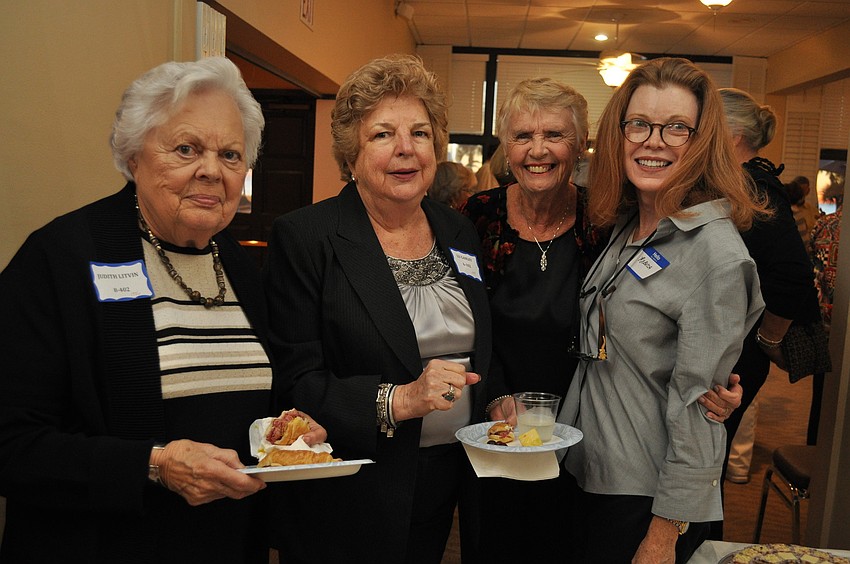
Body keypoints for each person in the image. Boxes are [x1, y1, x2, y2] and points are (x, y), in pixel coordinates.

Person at [0, 57, 327, 563]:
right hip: (104, 547)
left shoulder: (240, 265)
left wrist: (290, 427)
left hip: (227, 544)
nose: (211, 171)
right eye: (186, 149)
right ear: (134, 156)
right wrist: (153, 465)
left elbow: (257, 395)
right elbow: (13, 442)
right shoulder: (60, 258)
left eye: (231, 155)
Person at [459, 76, 742, 563]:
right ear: (505, 146)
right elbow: (457, 320)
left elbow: (715, 312)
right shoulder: (479, 217)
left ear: (582, 145)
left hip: (591, 446)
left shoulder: (605, 217)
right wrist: (492, 393)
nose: (538, 150)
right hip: (506, 433)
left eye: (555, 135)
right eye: (523, 136)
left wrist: (719, 388)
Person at [263, 54, 492, 564]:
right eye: (383, 135)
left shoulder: (458, 231)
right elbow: (297, 380)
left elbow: (478, 345)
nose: (406, 149)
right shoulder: (307, 237)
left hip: (446, 478)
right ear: (351, 154)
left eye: (420, 132)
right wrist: (401, 400)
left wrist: (494, 400)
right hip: (352, 490)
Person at [557, 57, 765, 563]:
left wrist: (663, 534)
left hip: (648, 500)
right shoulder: (632, 225)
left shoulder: (714, 253)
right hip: (590, 472)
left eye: (676, 128)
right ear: (619, 134)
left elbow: (701, 410)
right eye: (640, 125)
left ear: (701, 142)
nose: (654, 141)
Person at [714, 88, 821, 498]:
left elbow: (793, 274)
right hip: (732, 342)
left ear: (732, 133)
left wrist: (768, 338)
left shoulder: (754, 185)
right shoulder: (737, 181)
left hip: (741, 351)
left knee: (705, 463)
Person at [808, 188, 843, 445]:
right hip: (837, 330)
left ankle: (815, 473)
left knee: (821, 407)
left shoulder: (825, 225)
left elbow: (814, 277)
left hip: (824, 329)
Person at [786, 177, 819, 247]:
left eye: (803, 190)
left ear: (808, 191)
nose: (801, 193)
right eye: (798, 190)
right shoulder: (788, 212)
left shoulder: (813, 211)